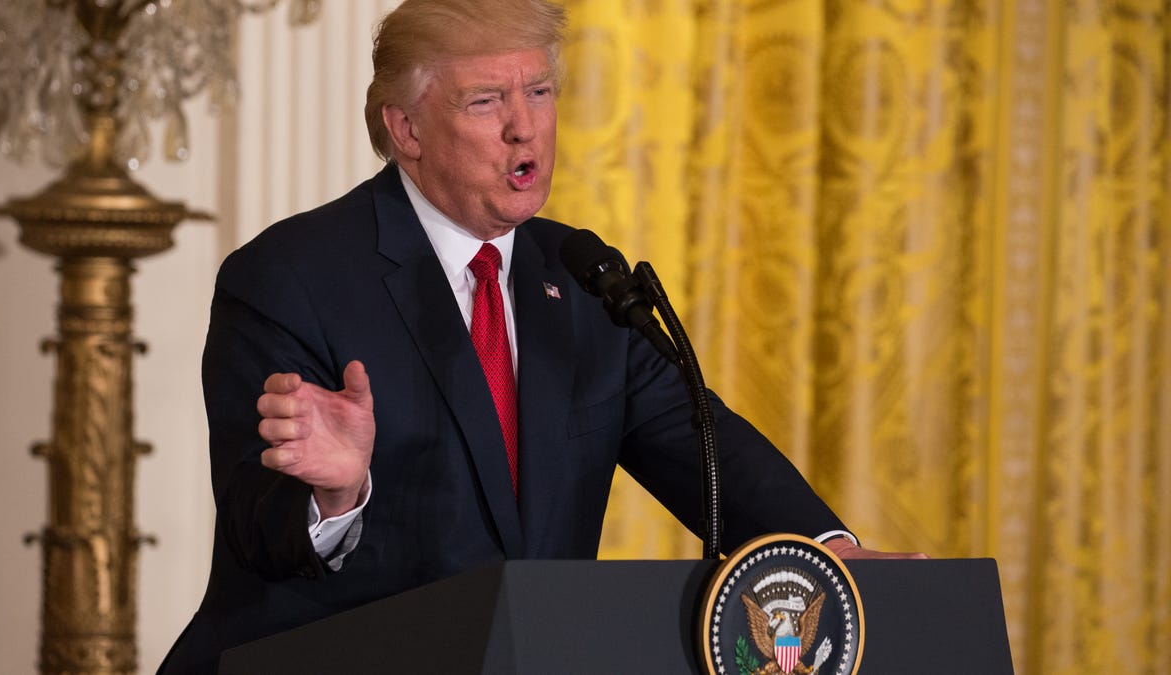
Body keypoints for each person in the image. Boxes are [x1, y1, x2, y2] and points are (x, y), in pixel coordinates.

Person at [158, 0, 921, 671]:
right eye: (487, 100)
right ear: (406, 128)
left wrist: (827, 550)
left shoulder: (584, 279)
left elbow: (700, 435)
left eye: (540, 91)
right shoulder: (289, 278)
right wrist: (338, 494)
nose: (524, 125)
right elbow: (261, 532)